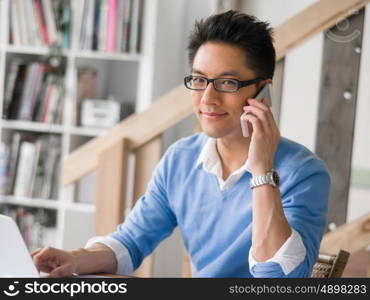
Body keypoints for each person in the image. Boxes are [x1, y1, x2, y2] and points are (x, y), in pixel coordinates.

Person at [32, 10, 330, 278]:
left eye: (227, 83)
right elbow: (131, 241)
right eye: (200, 80)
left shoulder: (304, 173)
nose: (208, 98)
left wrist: (263, 169)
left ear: (263, 92)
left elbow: (277, 279)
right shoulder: (181, 159)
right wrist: (75, 260)